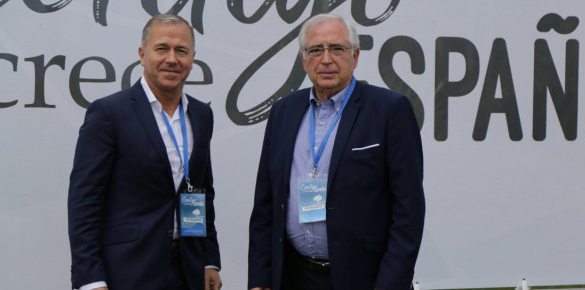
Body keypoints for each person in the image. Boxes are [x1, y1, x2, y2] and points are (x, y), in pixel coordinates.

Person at [248, 13, 426, 290]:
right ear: (303, 59)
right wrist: (260, 279)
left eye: (337, 48)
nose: (326, 59)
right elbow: (266, 204)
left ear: (355, 57)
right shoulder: (283, 111)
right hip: (293, 276)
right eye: (316, 50)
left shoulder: (390, 110)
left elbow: (409, 209)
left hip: (364, 279)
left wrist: (391, 284)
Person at [68, 14, 222, 290]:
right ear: (142, 54)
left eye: (182, 51)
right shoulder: (109, 113)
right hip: (127, 271)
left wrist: (209, 259)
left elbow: (201, 191)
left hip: (188, 270)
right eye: (162, 48)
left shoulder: (201, 115)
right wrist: (90, 279)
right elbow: (84, 203)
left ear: (193, 58)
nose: (172, 59)